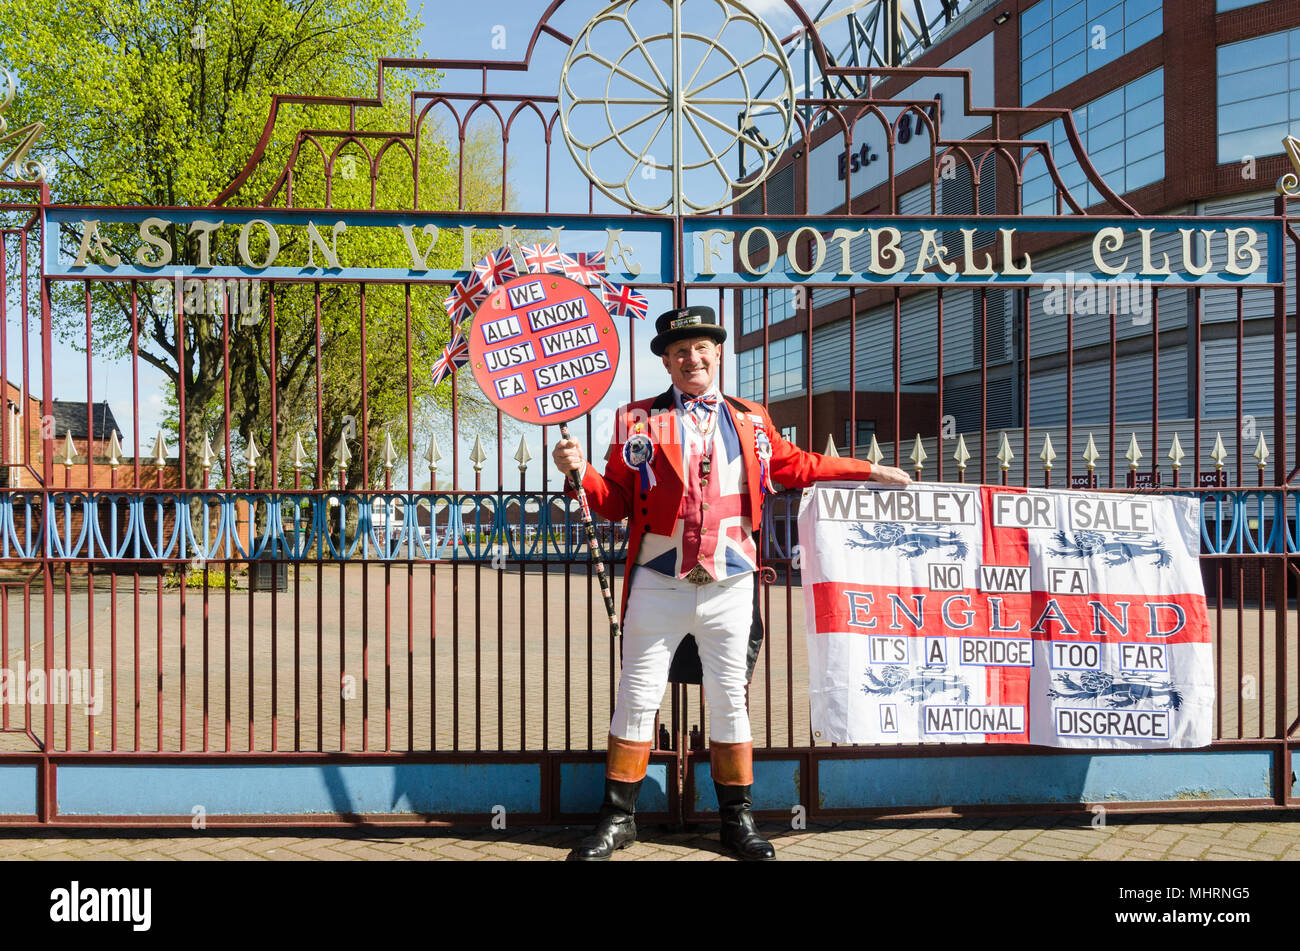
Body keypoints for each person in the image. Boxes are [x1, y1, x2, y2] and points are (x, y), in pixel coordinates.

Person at [552, 305, 911, 860]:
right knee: (636, 698)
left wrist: (869, 470)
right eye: (678, 352)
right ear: (667, 362)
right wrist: (579, 472)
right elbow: (615, 503)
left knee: (730, 703)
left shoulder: (751, 417)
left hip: (731, 583)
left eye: (700, 348)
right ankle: (617, 819)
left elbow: (800, 465)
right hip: (658, 580)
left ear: (717, 353)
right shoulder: (635, 419)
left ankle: (736, 820)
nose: (690, 358)